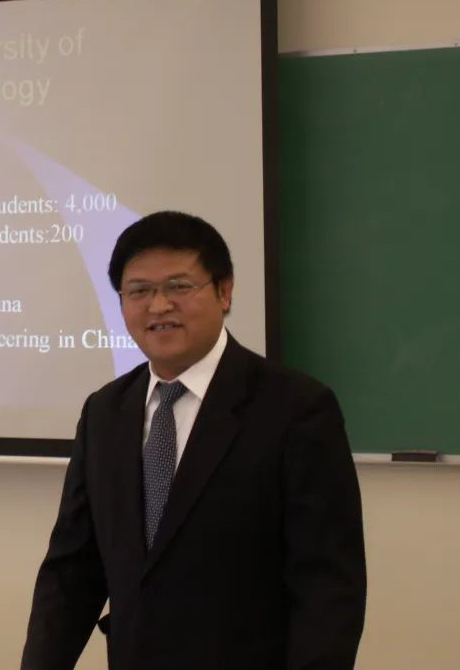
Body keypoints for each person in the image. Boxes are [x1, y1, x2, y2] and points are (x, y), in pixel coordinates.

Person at [21, 210, 366, 670]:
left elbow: (327, 586)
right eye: (139, 291)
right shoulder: (105, 411)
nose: (159, 306)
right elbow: (72, 569)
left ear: (224, 291)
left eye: (179, 287)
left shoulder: (296, 408)